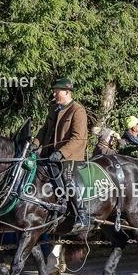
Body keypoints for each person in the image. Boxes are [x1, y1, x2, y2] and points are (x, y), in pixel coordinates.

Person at [35, 77, 90, 232]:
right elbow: (44, 130)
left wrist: (61, 153)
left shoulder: (77, 110)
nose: (54, 94)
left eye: (56, 91)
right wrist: (35, 144)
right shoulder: (54, 108)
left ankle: (82, 214)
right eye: (53, 91)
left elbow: (79, 138)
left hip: (69, 156)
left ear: (67, 92)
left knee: (68, 178)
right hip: (48, 155)